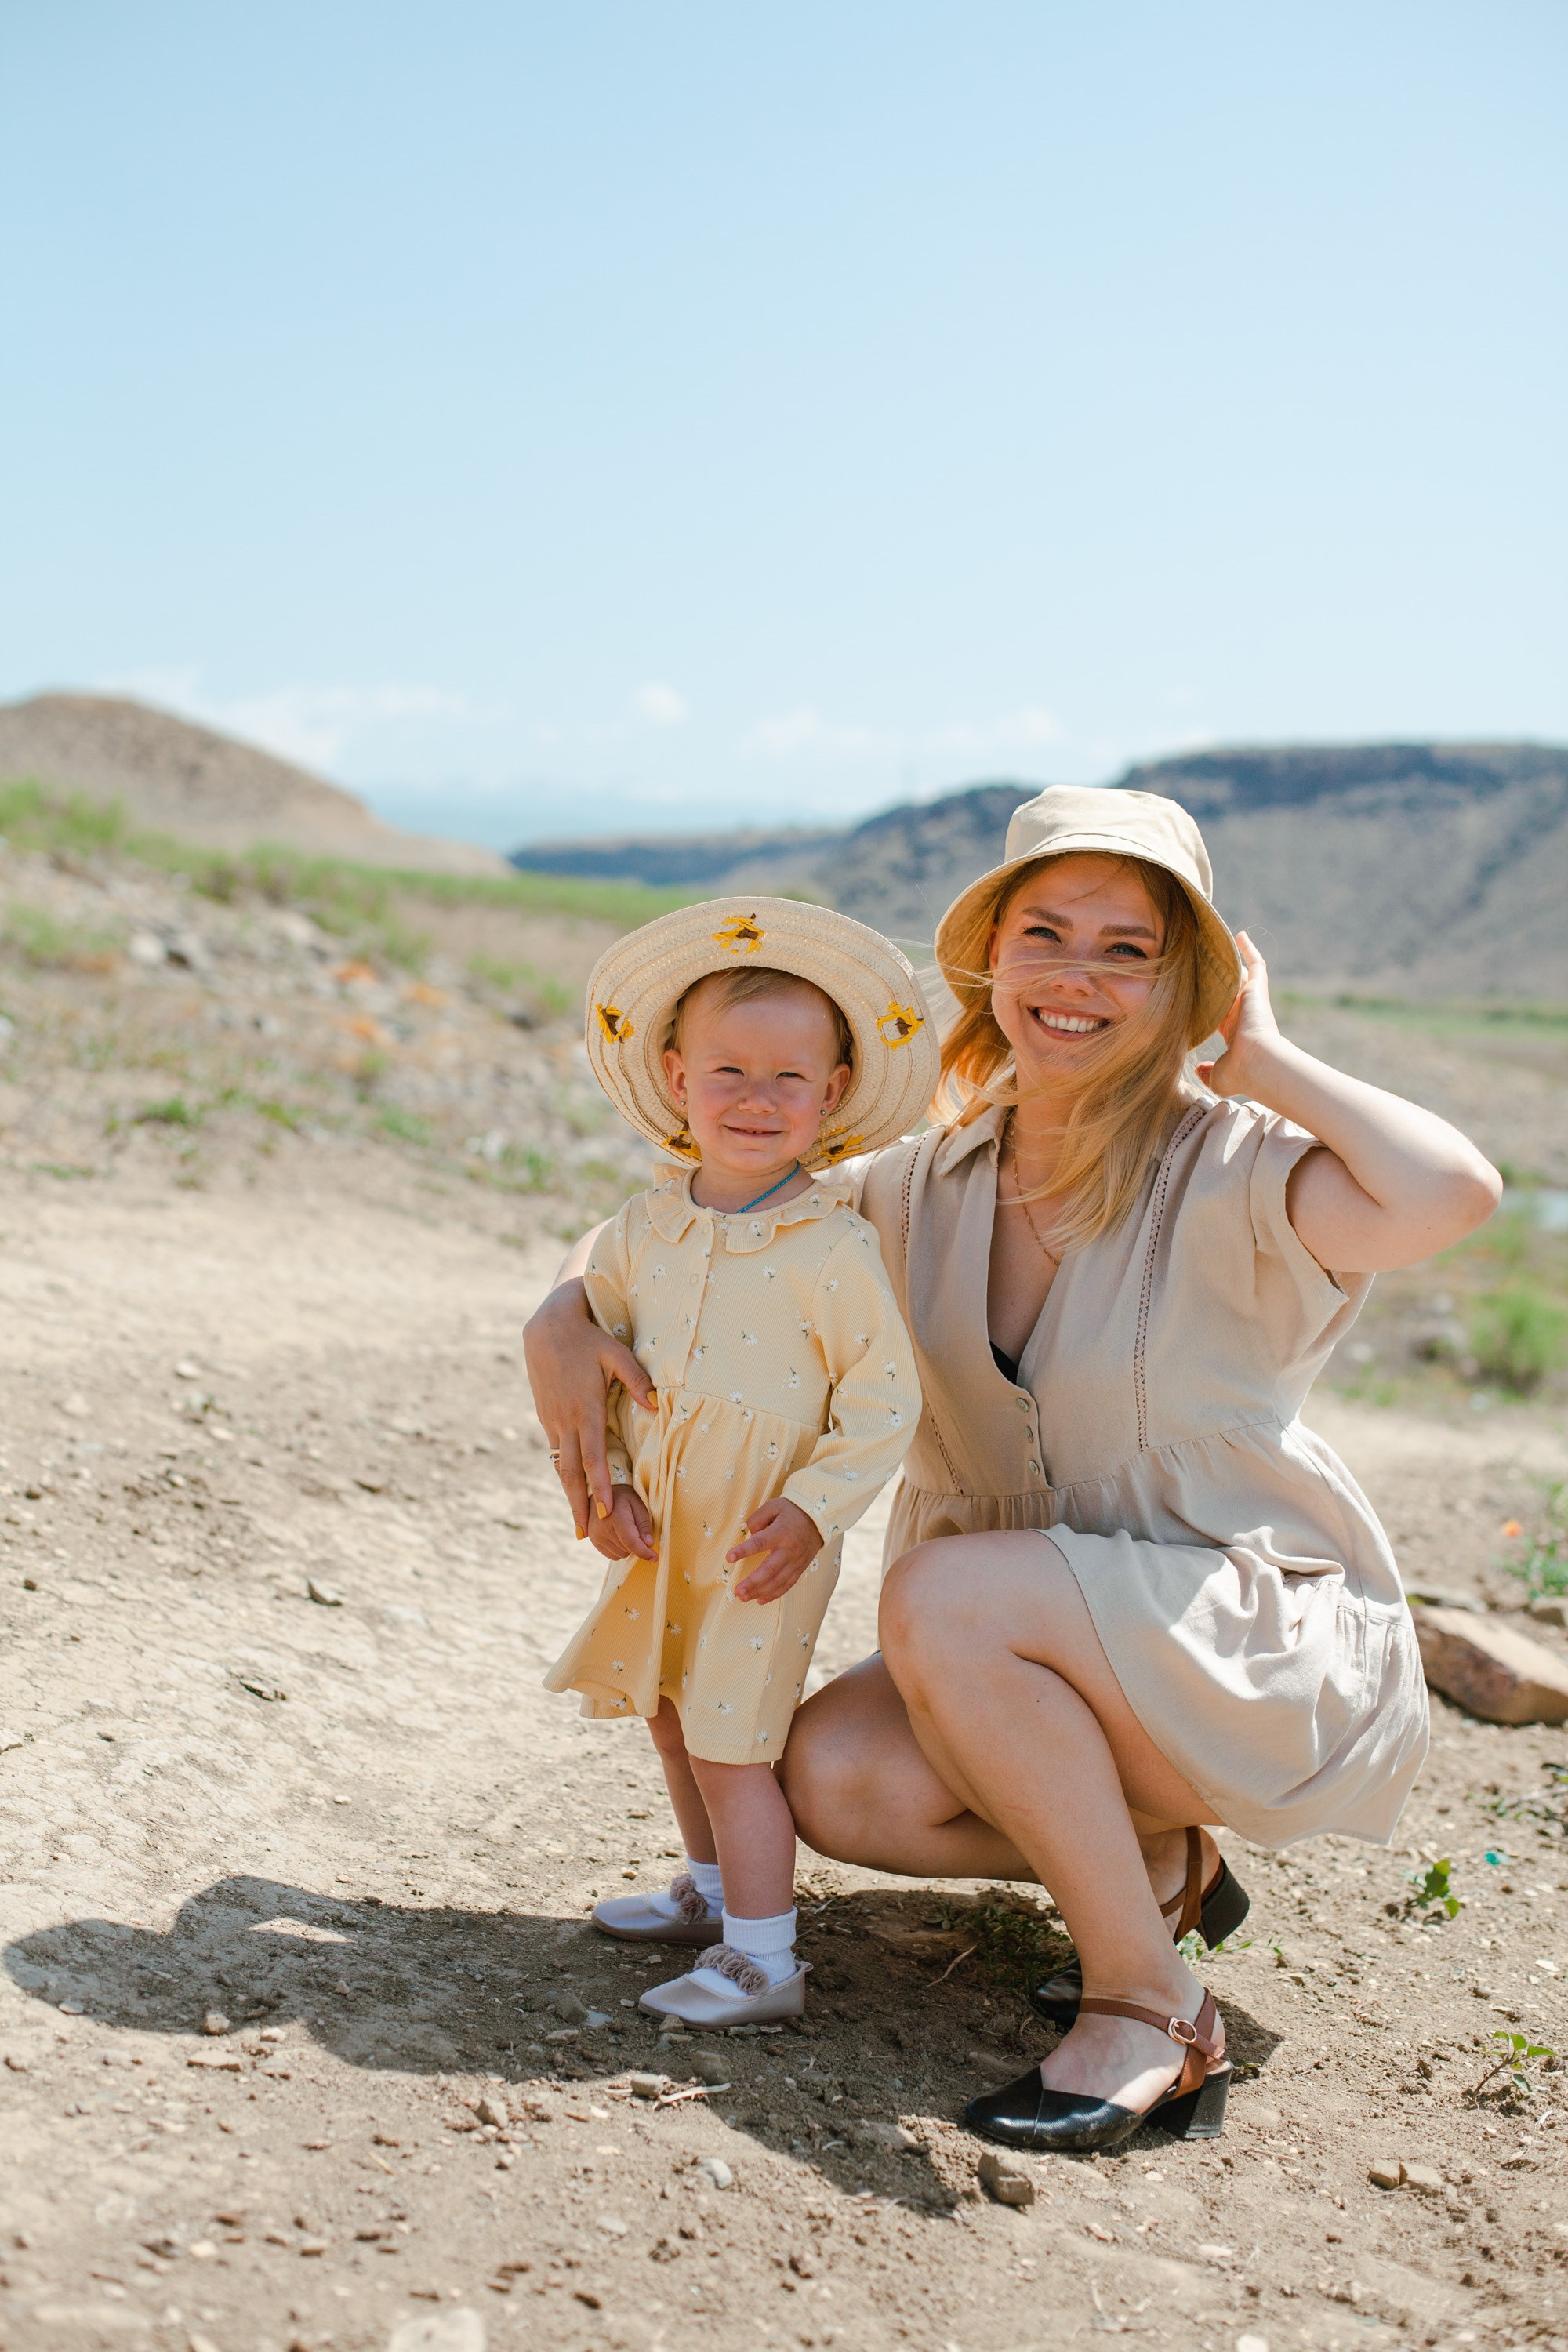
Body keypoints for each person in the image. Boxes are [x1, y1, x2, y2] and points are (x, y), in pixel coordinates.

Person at [528, 786, 1501, 2148]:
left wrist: (1264, 1059)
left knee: (946, 1594)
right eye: (1046, 934)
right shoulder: (912, 1186)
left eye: (1128, 949)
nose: (1077, 976)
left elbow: (1451, 1194)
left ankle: (1150, 2003)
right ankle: (1156, 1863)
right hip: (1040, 1659)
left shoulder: (1240, 1169)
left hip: (1248, 1647)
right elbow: (708, 1220)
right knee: (831, 1779)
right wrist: (563, 1309)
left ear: (1184, 984)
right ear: (992, 958)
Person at [541, 898, 932, 2027]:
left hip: (765, 1539)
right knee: (672, 1713)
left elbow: (884, 1400)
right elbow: (605, 1366)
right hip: (667, 1527)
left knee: (733, 1741)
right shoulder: (642, 1229)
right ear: (676, 1078)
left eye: (789, 1079)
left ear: (833, 1093)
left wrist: (813, 1510)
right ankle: (713, 1893)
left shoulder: (833, 1246)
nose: (757, 1100)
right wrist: (615, 1483)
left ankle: (767, 1960)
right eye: (729, 1072)